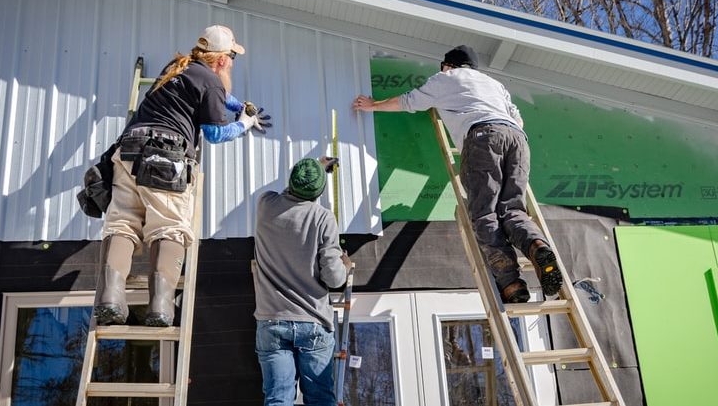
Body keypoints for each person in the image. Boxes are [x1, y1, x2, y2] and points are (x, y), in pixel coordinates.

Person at [352, 45, 562, 303]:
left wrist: (373, 105)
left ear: (448, 65)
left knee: (485, 212)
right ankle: (537, 246)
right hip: (518, 141)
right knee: (513, 210)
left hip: (483, 138)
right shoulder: (494, 84)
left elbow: (409, 101)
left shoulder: (446, 78)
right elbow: (519, 122)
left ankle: (511, 284)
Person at [94, 25, 271, 327]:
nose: (232, 63)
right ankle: (161, 308)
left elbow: (213, 94)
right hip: (165, 158)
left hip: (128, 151)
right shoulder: (212, 82)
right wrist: (244, 122)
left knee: (122, 223)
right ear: (221, 60)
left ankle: (110, 299)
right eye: (232, 57)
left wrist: (239, 105)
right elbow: (215, 133)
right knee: (169, 227)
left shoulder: (177, 67)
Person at [253, 157, 350, 406]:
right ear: (319, 192)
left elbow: (287, 194)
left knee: (277, 399)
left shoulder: (265, 204)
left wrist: (314, 167)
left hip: (272, 320)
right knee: (319, 400)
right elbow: (334, 278)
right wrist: (345, 265)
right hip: (313, 323)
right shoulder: (323, 218)